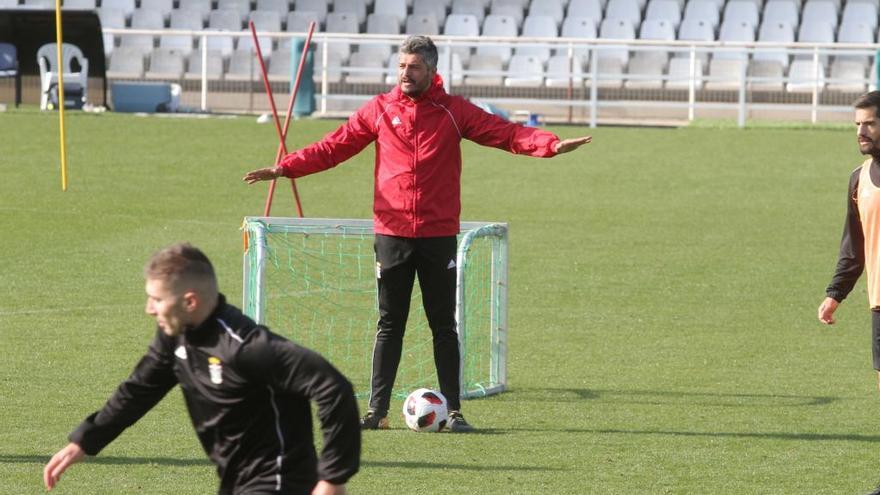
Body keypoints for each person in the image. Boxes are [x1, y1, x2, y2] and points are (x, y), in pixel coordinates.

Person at [243, 35, 592, 433]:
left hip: (438, 233)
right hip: (391, 233)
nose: (405, 74)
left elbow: (505, 133)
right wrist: (286, 167)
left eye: (414, 68)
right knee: (390, 323)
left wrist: (548, 144)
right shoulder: (379, 109)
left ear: (432, 70)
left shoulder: (454, 111)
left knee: (443, 325)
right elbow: (334, 146)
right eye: (402, 67)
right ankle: (376, 412)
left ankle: (455, 411)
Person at [43, 243, 360, 494]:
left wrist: (333, 477)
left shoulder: (246, 347)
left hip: (279, 481)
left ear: (190, 301)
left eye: (156, 299)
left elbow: (334, 388)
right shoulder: (175, 337)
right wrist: (85, 440)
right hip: (237, 481)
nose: (148, 309)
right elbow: (140, 389)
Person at [819, 90, 880, 392]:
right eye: (857, 125)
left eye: (869, 124)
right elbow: (854, 245)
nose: (861, 132)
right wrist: (835, 294)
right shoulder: (859, 179)